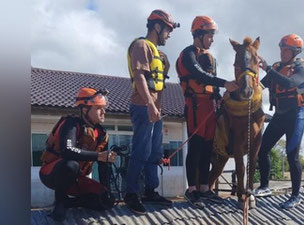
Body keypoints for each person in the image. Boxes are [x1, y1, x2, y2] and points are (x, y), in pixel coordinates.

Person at [176, 15, 238, 209]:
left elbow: (212, 83)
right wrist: (224, 82)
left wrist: (220, 98)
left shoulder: (211, 58)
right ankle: (192, 190)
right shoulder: (188, 54)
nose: (212, 39)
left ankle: (205, 188)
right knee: (195, 148)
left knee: (206, 149)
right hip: (195, 106)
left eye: (212, 35)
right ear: (199, 34)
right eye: (209, 35)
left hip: (209, 107)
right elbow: (198, 75)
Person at [124, 9, 179, 214]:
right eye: (168, 30)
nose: (169, 34)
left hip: (156, 110)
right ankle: (131, 194)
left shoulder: (158, 53)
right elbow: (139, 76)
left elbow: (159, 85)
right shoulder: (141, 46)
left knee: (155, 152)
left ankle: (149, 191)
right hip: (142, 107)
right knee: (141, 150)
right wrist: (149, 104)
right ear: (157, 26)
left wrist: (157, 108)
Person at [39, 87, 117, 222]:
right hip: (52, 173)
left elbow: (103, 165)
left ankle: (69, 202)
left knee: (106, 200)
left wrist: (106, 191)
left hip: (77, 179)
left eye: (104, 108)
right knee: (70, 164)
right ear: (85, 109)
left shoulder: (102, 134)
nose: (104, 111)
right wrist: (98, 156)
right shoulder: (71, 124)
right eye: (99, 108)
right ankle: (60, 203)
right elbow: (67, 151)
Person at [256, 33, 304, 209]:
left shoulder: (302, 69)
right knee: (262, 149)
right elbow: (261, 86)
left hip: (296, 115)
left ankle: (296, 196)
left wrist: (268, 70)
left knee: (291, 155)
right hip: (280, 115)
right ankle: (265, 187)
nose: (282, 53)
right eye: (281, 49)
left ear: (295, 51)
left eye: (286, 50)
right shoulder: (277, 67)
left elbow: (290, 83)